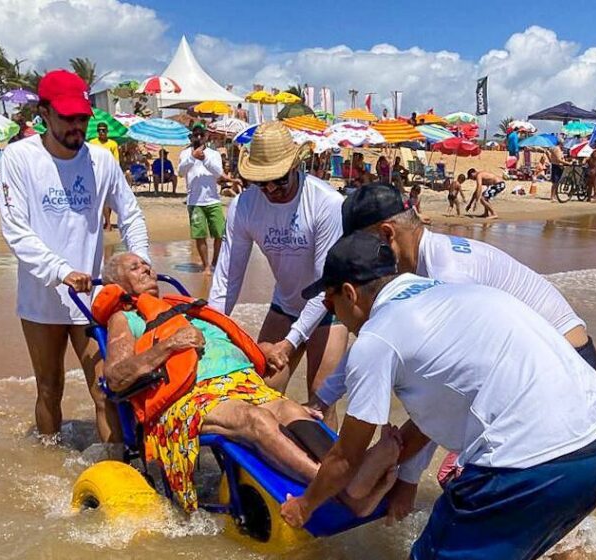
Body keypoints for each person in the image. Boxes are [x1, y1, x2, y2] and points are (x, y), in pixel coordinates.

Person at [281, 232, 596, 560]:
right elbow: (446, 405)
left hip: (534, 460)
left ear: (349, 293)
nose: (335, 316)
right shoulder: (455, 293)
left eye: (330, 305)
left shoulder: (377, 338)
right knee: (503, 552)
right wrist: (396, 456)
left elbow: (345, 456)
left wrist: (304, 506)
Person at [309, 184, 596, 520]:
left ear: (386, 234)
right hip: (544, 362)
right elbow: (375, 337)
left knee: (519, 498)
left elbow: (449, 389)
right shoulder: (418, 269)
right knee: (539, 506)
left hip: (561, 362)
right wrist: (324, 397)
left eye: (361, 243)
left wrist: (407, 480)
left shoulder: (448, 273)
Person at [101, 252, 398, 514]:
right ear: (118, 284)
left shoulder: (184, 306)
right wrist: (168, 346)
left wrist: (263, 351)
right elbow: (115, 378)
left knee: (290, 409)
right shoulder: (126, 318)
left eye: (146, 264)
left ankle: (353, 473)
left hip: (242, 383)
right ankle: (343, 492)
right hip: (192, 398)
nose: (147, 269)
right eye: (134, 267)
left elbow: (228, 341)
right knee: (254, 420)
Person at [0, 69, 150, 444]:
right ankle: (49, 469)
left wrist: (141, 263)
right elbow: (16, 230)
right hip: (41, 299)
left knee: (105, 387)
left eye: (82, 118)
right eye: (67, 118)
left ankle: (119, 466)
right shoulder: (18, 158)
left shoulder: (101, 161)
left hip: (91, 298)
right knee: (50, 387)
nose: (76, 127)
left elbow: (130, 214)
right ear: (44, 113)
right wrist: (60, 270)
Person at [208, 122, 348, 427]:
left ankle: (324, 472)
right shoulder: (244, 206)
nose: (271, 190)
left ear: (296, 166)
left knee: (320, 404)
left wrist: (290, 342)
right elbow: (227, 278)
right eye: (262, 182)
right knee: (259, 393)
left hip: (330, 309)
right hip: (285, 304)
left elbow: (325, 286)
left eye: (279, 180)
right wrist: (211, 331)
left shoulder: (327, 204)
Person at [177, 124, 225, 275]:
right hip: (194, 201)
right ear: (191, 137)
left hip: (213, 200)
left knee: (219, 234)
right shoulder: (185, 153)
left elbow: (218, 173)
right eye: (195, 135)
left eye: (200, 135)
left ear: (205, 137)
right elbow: (180, 172)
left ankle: (215, 262)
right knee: (200, 235)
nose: (198, 138)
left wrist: (205, 160)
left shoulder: (213, 154)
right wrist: (192, 157)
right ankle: (205, 266)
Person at [89, 121, 120, 231]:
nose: (101, 132)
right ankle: (107, 222)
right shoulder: (92, 143)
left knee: (108, 199)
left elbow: (116, 161)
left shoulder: (113, 144)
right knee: (101, 199)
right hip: (95, 173)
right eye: (99, 130)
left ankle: (107, 221)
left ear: (107, 131)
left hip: (109, 173)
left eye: (103, 130)